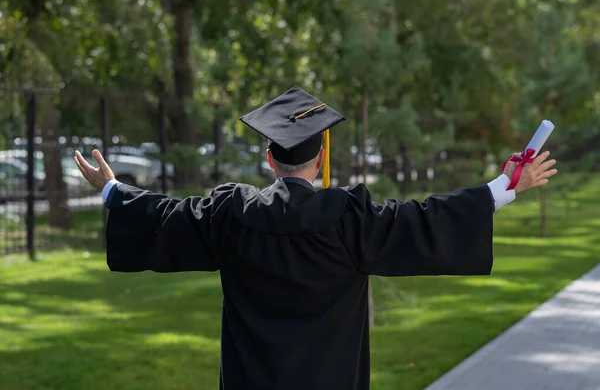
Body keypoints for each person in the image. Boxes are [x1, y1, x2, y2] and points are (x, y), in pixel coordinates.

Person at [74, 85, 558, 390]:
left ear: (270, 159)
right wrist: (505, 186)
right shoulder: (349, 217)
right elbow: (424, 218)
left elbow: (167, 217)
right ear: (320, 160)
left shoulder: (231, 212)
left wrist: (113, 189)